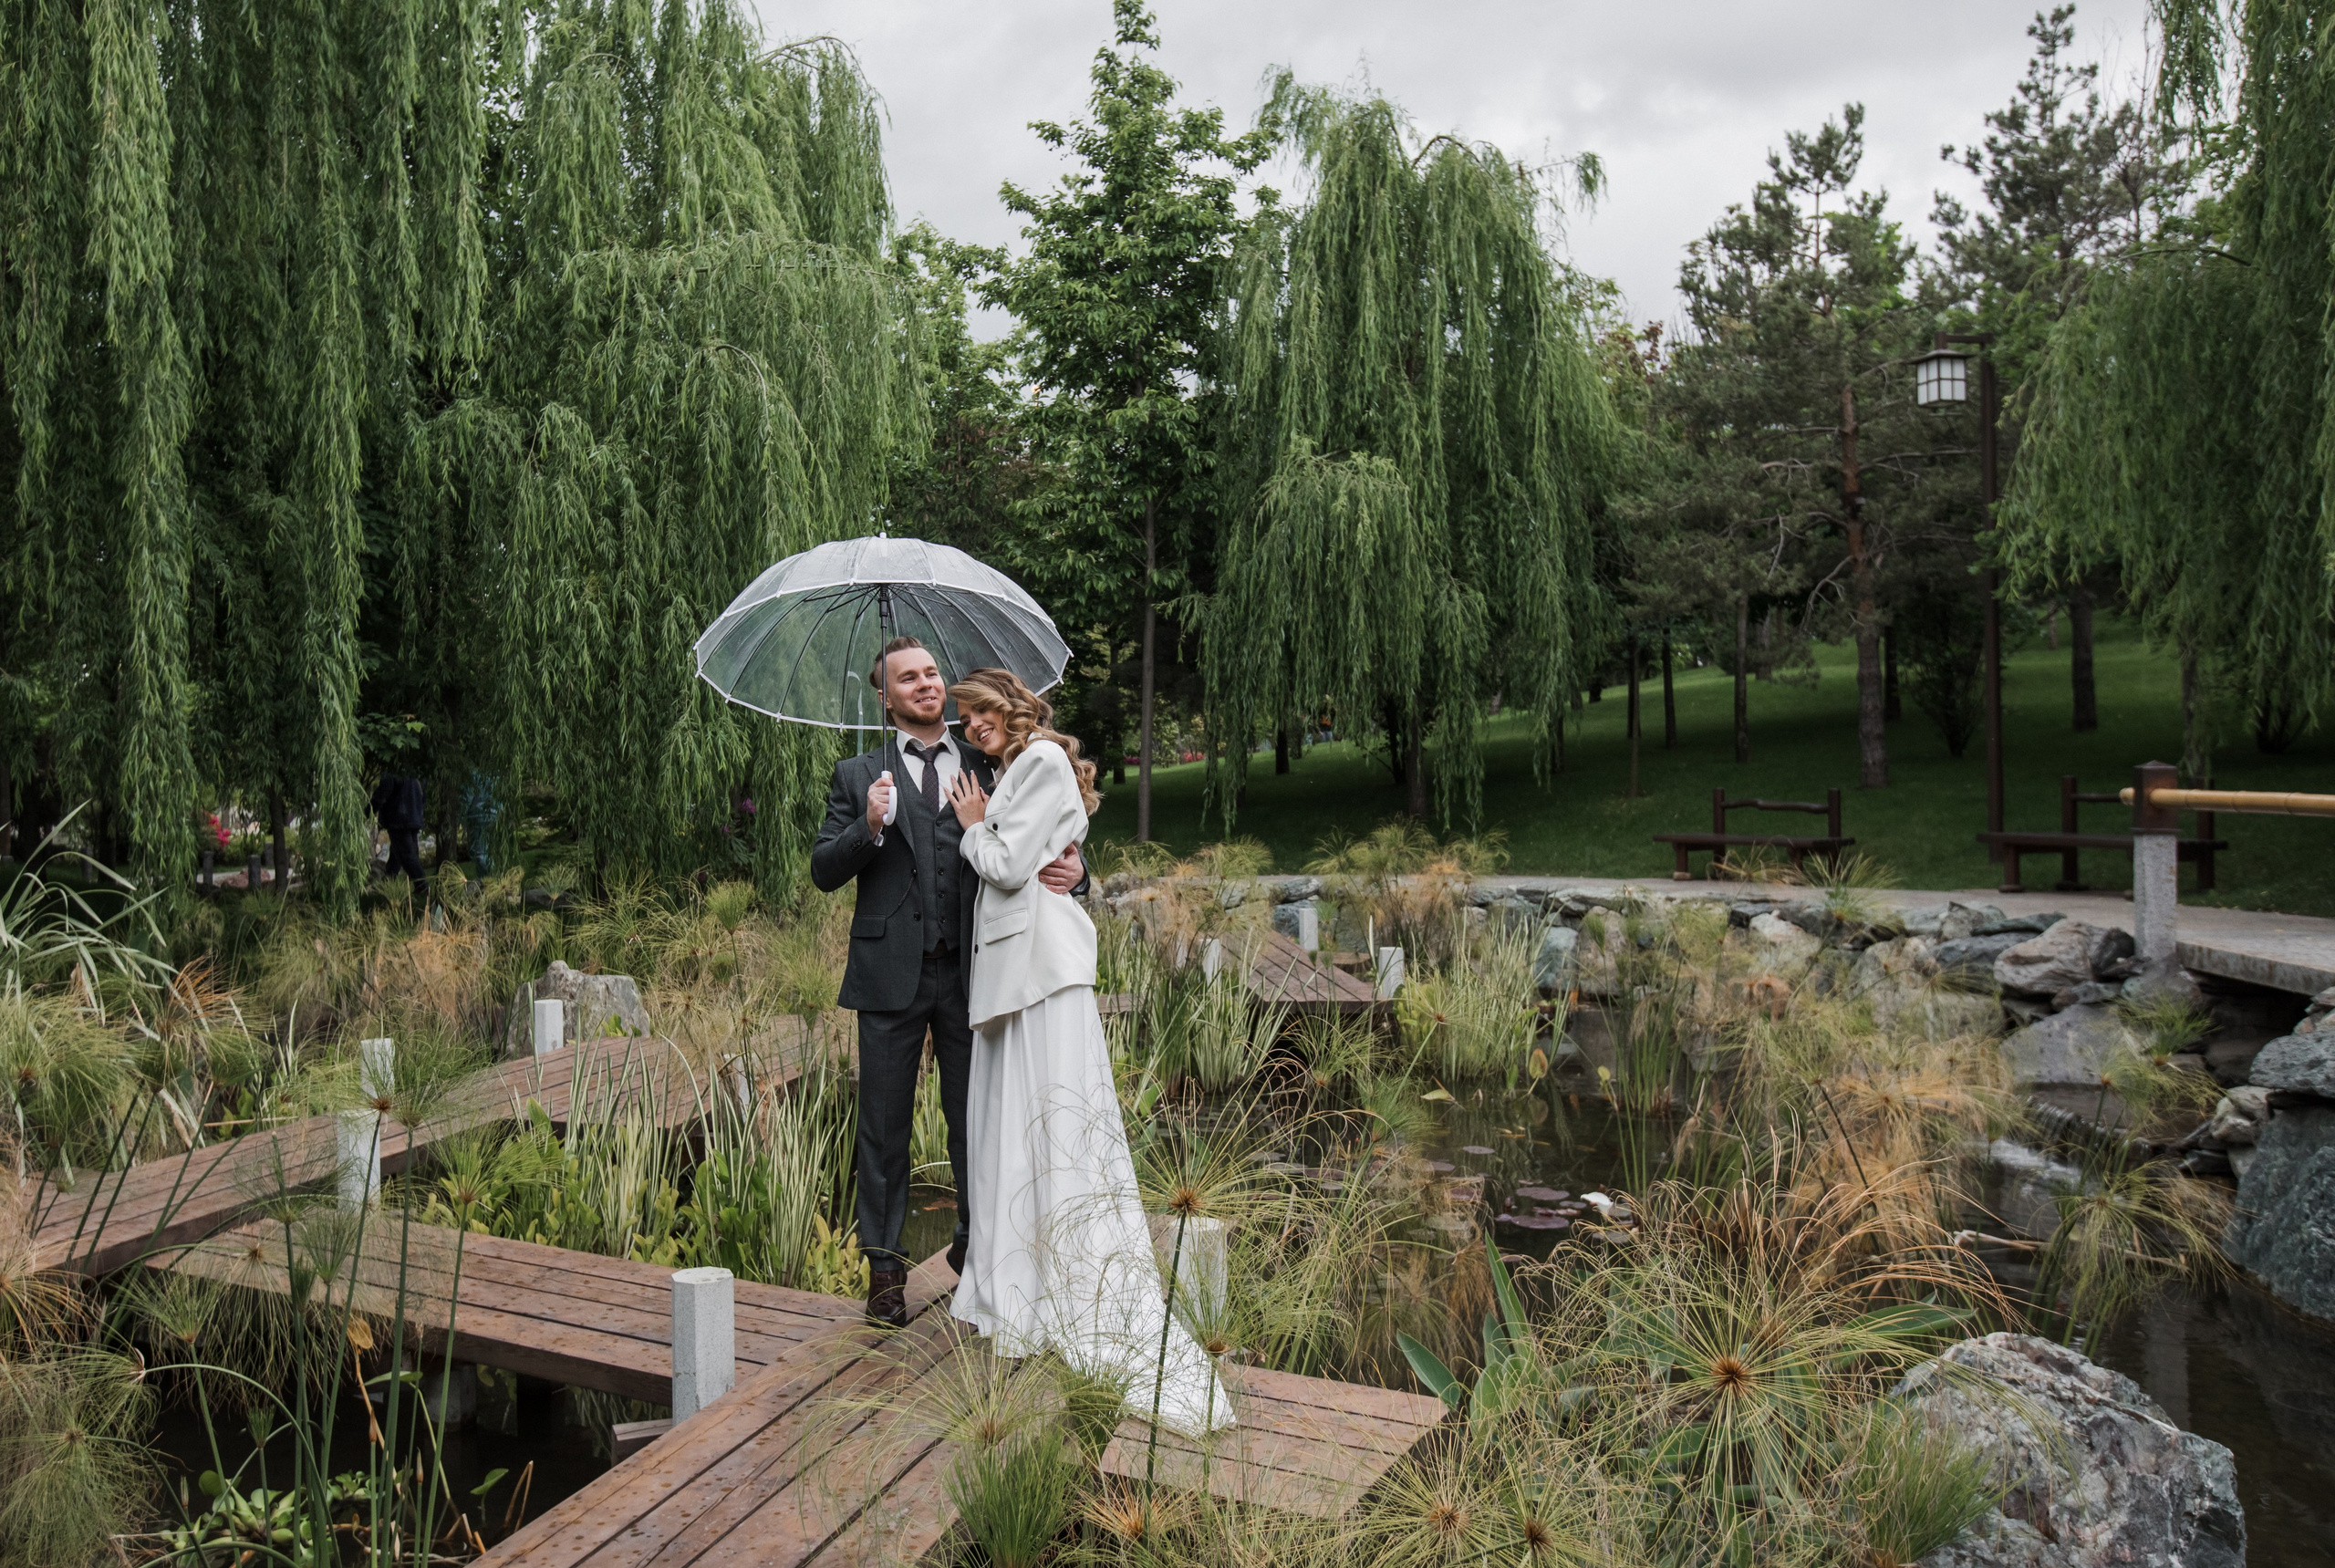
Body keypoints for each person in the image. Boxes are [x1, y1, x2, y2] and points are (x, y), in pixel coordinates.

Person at [942, 667, 1233, 1438]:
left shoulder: (1038, 762)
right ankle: (1020, 1289)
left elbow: (1008, 865)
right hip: (1016, 977)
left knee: (1049, 1125)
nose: (971, 725)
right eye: (963, 718)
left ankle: (1049, 1293)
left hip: (1038, 975)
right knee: (1015, 1133)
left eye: (978, 710)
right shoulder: (1019, 768)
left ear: (1008, 702)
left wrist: (973, 823)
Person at [810, 637, 1088, 1328]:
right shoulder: (856, 774)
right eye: (909, 678)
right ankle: (885, 1271)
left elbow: (1048, 829)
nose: (927, 684)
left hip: (978, 973)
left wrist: (1082, 873)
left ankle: (975, 1247)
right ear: (886, 697)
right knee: (882, 1129)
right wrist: (869, 825)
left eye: (932, 672)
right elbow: (823, 869)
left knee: (981, 1118)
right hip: (887, 978)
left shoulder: (990, 759)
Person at [369, 773, 427, 885]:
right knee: (398, 855)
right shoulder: (416, 770)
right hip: (413, 817)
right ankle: (388, 882)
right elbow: (423, 794)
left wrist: (367, 812)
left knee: (407, 855)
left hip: (399, 819)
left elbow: (383, 793)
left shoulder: (394, 769)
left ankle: (422, 886)